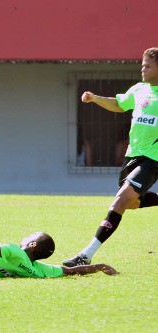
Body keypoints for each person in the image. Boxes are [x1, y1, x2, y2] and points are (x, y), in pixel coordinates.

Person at [63, 47, 158, 267]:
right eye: (142, 65)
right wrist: (95, 98)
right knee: (131, 204)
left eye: (147, 66)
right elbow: (119, 104)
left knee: (120, 201)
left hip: (152, 160)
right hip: (132, 157)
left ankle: (85, 255)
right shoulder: (139, 89)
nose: (142, 69)